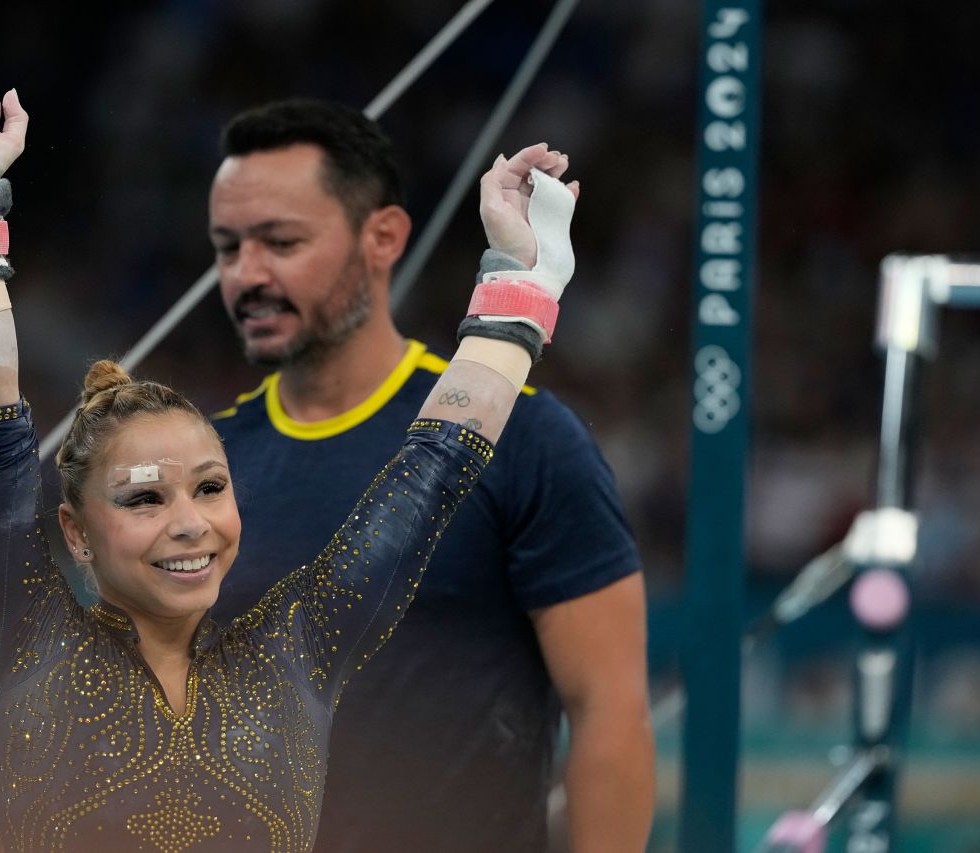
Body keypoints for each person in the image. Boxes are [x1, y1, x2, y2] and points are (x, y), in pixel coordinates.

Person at [0, 74, 576, 852]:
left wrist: (522, 279)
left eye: (210, 488)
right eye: (144, 500)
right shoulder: (21, 632)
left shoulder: (296, 649)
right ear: (76, 530)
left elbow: (430, 474)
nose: (190, 524)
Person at [208, 100, 655, 852]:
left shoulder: (527, 438)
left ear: (382, 237)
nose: (247, 275)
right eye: (227, 248)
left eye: (281, 241)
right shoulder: (206, 464)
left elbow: (611, 712)